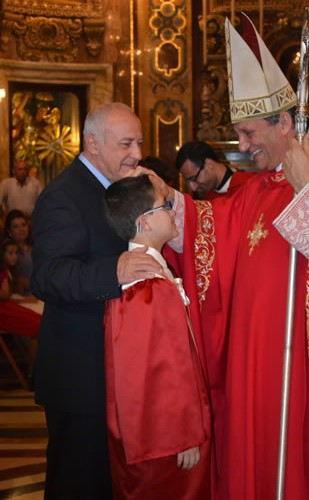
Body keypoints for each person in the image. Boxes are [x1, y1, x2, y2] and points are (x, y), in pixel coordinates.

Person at [163, 13, 309, 499]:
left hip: (299, 357)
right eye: (238, 134)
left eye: (249, 133)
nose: (242, 146)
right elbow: (212, 227)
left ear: (284, 121)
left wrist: (307, 190)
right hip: (252, 356)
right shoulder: (257, 187)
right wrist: (169, 206)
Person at [31, 102, 164, 500]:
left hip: (117, 369)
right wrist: (114, 272)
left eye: (139, 142)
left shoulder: (120, 185)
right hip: (80, 374)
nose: (137, 154)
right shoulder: (63, 195)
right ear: (92, 143)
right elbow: (47, 276)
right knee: (78, 481)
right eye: (126, 143)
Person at [103, 174, 211, 499]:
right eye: (164, 206)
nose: (172, 211)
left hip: (167, 434)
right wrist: (184, 435)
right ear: (144, 222)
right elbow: (157, 369)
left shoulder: (151, 272)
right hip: (166, 443)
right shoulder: (147, 285)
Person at [175, 140, 254, 199]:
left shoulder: (251, 185)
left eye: (194, 179)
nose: (193, 188)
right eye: (188, 182)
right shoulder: (207, 199)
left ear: (209, 164)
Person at [0, 238, 40, 338]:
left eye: (16, 253)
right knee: (35, 322)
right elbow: (5, 295)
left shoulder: (10, 271)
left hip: (9, 303)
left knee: (37, 317)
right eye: (10, 253)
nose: (14, 257)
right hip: (3, 310)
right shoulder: (3, 271)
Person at [4, 209, 33, 296]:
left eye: (23, 225)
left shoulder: (35, 246)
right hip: (22, 296)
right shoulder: (7, 252)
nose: (21, 229)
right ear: (9, 232)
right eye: (16, 226)